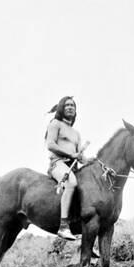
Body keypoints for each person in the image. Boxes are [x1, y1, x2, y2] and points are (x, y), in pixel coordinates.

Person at [45, 96, 89, 240]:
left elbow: (80, 157)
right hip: (57, 163)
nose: (70, 107)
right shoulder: (55, 124)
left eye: (73, 106)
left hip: (73, 167)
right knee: (71, 183)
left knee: (88, 188)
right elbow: (50, 144)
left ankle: (84, 231)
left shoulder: (76, 133)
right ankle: (63, 226)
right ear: (61, 108)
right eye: (67, 105)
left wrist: (91, 161)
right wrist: (71, 154)